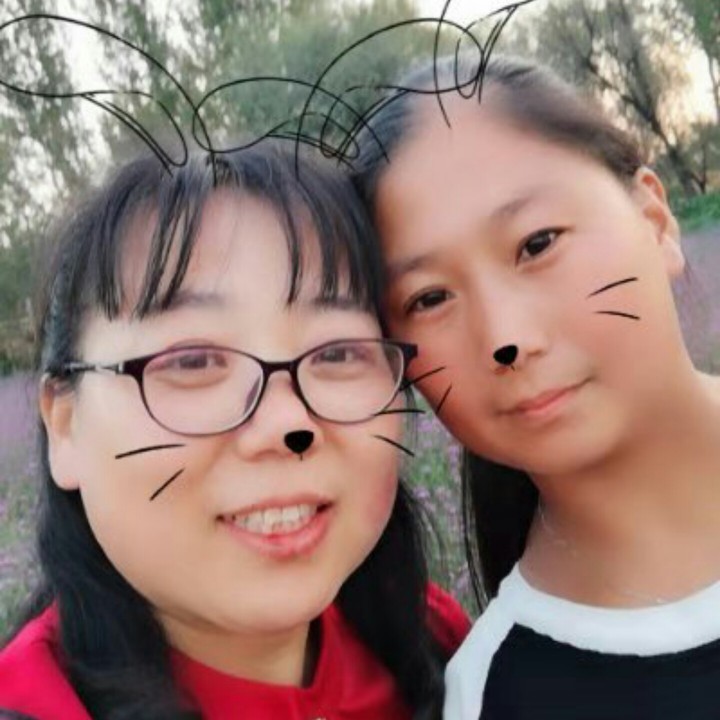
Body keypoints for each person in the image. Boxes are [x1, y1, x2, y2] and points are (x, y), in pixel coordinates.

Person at [0, 143, 470, 720]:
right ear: (65, 426)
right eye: (193, 361)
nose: (287, 423)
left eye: (339, 352)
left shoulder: (437, 643)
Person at [354, 52, 720, 719]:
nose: (505, 337)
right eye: (430, 298)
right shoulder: (491, 695)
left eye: (537, 243)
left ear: (655, 219)